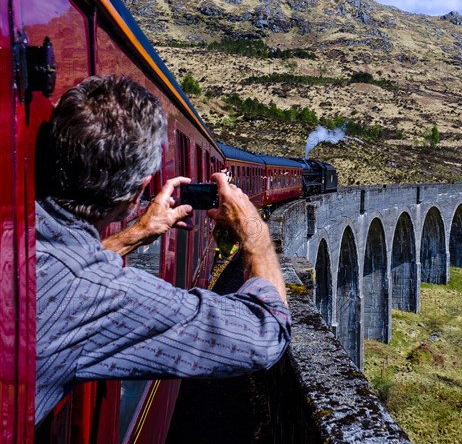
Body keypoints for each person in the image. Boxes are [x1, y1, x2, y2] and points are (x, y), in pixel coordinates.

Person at [36, 75, 290, 425]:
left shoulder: (27, 248)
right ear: (139, 190)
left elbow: (67, 271)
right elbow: (267, 333)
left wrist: (135, 235)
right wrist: (254, 230)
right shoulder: (97, 295)